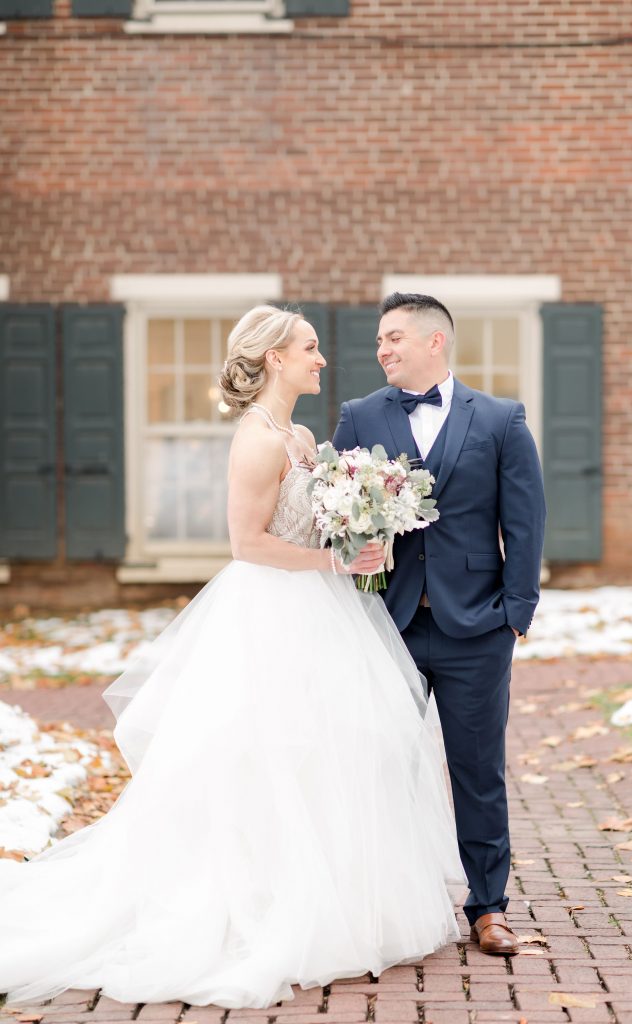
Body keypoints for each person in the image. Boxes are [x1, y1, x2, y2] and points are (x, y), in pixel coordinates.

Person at [0, 305, 465, 1011]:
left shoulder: (301, 436)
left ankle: (329, 898)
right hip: (271, 614)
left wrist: (363, 537)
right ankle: (260, 905)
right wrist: (330, 563)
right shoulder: (255, 441)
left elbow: (320, 519)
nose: (321, 359)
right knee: (262, 757)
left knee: (333, 754)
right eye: (309, 349)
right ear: (274, 357)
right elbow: (246, 544)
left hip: (322, 612)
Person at [333, 293, 546, 957]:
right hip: (387, 625)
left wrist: (515, 612)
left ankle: (488, 908)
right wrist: (350, 557)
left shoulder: (502, 419)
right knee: (380, 766)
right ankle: (386, 907)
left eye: (393, 337)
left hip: (475, 629)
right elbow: (332, 516)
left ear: (435, 341)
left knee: (476, 771)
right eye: (377, 341)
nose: (382, 350)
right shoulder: (359, 416)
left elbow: (525, 520)